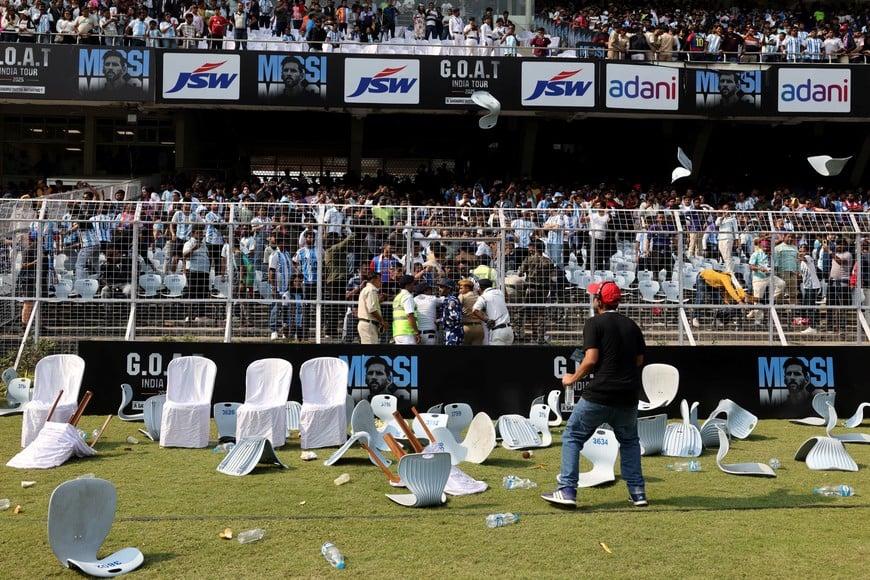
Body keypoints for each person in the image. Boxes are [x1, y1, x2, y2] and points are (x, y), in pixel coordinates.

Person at [542, 280, 647, 508]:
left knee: (572, 436)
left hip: (600, 394)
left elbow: (590, 360)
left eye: (594, 296)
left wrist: (571, 379)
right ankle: (638, 493)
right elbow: (639, 360)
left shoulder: (594, 323)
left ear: (599, 301)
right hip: (628, 396)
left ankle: (567, 490)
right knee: (629, 442)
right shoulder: (632, 326)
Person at [471, 278, 513, 345]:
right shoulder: (500, 293)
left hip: (497, 332)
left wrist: (486, 320)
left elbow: (474, 310)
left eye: (478, 288)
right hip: (509, 330)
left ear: (481, 288)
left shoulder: (483, 297)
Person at [357, 271, 386, 344]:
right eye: (379, 280)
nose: (381, 282)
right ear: (374, 280)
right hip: (369, 324)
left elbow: (368, 305)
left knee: (369, 351)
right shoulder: (371, 290)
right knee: (370, 352)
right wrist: (382, 321)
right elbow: (372, 309)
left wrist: (377, 301)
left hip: (367, 324)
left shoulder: (366, 289)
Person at [392, 274, 420, 344]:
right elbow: (409, 315)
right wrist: (416, 332)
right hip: (407, 333)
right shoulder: (408, 297)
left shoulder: (397, 297)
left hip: (397, 332)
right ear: (408, 285)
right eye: (413, 284)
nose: (414, 286)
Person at [436, 278, 463, 345]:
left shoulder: (451, 300)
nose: (439, 289)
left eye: (441, 287)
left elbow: (454, 317)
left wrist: (439, 320)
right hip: (450, 333)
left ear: (448, 289)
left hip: (453, 334)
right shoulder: (447, 299)